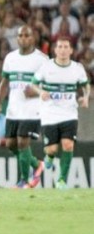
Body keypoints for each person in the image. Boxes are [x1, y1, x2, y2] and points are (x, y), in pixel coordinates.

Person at [31, 37, 90, 189]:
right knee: (52, 149)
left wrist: (86, 97)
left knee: (68, 145)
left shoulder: (77, 68)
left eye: (66, 47)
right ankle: (49, 156)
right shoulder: (46, 67)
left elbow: (85, 85)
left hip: (69, 113)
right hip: (49, 113)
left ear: (71, 50)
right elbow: (33, 83)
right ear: (55, 50)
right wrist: (41, 91)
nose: (63, 50)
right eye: (60, 47)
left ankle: (62, 180)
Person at [0, 25, 47, 188]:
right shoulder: (10, 58)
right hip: (14, 108)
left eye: (27, 35)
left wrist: (35, 92)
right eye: (21, 35)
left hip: (33, 110)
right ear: (17, 38)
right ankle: (36, 164)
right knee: (11, 144)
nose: (23, 38)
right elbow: (4, 83)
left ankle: (24, 181)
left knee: (23, 142)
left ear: (33, 38)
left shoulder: (42, 59)